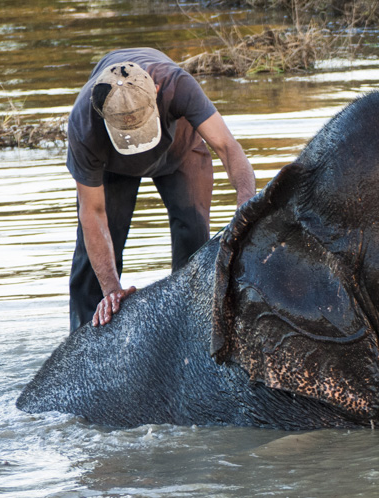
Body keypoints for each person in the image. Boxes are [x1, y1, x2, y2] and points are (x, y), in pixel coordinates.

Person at [66, 48, 256, 332]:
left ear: (156, 90)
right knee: (94, 270)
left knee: (193, 239)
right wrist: (111, 291)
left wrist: (246, 212)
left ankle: (191, 333)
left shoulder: (176, 84)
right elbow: (92, 212)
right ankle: (82, 348)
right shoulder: (84, 125)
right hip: (113, 167)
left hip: (181, 153)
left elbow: (228, 148)